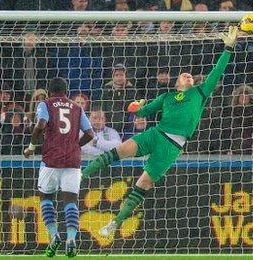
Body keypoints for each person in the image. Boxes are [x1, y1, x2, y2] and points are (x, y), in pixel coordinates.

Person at [80, 26, 238, 237]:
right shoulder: (166, 97)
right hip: (155, 133)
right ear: (176, 82)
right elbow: (142, 112)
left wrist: (228, 48)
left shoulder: (200, 93)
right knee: (122, 149)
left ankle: (114, 223)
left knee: (143, 183)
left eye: (189, 76)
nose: (187, 76)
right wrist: (135, 106)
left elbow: (217, 71)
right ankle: (81, 175)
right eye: (183, 75)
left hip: (171, 145)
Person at [23, 77, 94, 258]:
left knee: (46, 197)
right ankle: (71, 238)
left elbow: (40, 124)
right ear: (66, 91)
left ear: (49, 91)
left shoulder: (45, 104)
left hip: (51, 160)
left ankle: (54, 236)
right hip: (73, 161)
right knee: (71, 200)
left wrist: (31, 147)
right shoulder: (77, 108)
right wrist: (75, 145)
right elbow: (90, 133)